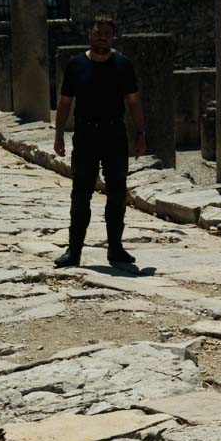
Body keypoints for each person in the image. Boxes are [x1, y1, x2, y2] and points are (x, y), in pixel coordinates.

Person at [53, 14, 146, 267]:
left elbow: (134, 101)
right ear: (90, 35)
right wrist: (59, 133)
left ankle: (115, 249)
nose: (102, 36)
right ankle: (74, 252)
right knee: (80, 194)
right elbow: (64, 102)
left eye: (107, 32)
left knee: (117, 193)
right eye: (98, 31)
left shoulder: (123, 64)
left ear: (112, 37)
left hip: (114, 134)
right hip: (85, 136)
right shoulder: (75, 65)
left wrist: (140, 134)